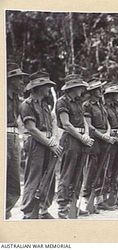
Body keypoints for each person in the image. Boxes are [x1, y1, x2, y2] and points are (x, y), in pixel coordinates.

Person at [20, 71, 63, 219]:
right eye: (45, 86)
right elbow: (31, 128)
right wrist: (49, 142)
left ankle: (43, 210)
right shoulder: (27, 105)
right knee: (34, 177)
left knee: (49, 177)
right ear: (37, 88)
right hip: (36, 144)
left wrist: (53, 141)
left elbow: (51, 126)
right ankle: (28, 212)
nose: (48, 89)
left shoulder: (45, 105)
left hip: (48, 144)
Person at [56, 74, 94, 219]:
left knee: (78, 175)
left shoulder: (78, 102)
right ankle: (62, 206)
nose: (82, 90)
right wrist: (82, 137)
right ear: (73, 88)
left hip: (81, 139)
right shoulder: (62, 102)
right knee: (68, 174)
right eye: (80, 87)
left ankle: (73, 204)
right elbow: (66, 124)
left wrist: (87, 135)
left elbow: (84, 120)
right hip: (70, 139)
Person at [82, 78, 116, 213]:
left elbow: (107, 122)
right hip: (95, 140)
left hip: (104, 140)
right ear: (93, 91)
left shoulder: (101, 105)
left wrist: (107, 132)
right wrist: (102, 136)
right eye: (98, 89)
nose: (101, 91)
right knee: (91, 170)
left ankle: (99, 201)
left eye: (101, 89)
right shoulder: (87, 105)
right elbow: (88, 125)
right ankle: (86, 201)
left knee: (102, 170)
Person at [6, 63, 28, 219]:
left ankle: (5, 210)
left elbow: (22, 122)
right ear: (10, 79)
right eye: (19, 79)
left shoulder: (16, 99)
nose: (21, 82)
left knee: (14, 182)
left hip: (13, 139)